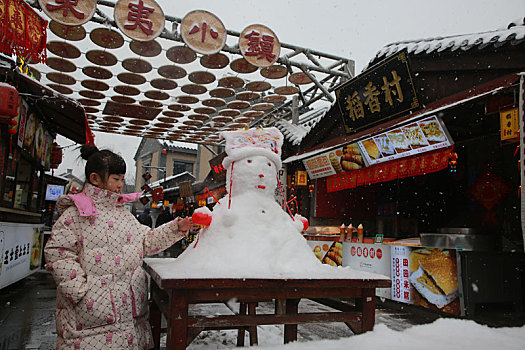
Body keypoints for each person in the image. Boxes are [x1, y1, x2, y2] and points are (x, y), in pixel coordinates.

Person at [44, 145, 192, 349]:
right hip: (89, 320)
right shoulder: (75, 214)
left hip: (129, 317)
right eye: (116, 179)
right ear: (95, 179)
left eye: (122, 179)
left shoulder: (123, 214)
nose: (120, 185)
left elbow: (146, 241)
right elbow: (58, 253)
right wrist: (80, 291)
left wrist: (177, 228)